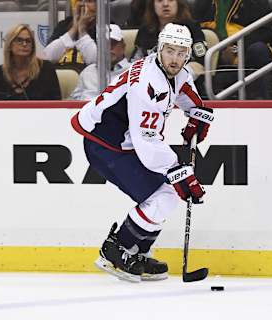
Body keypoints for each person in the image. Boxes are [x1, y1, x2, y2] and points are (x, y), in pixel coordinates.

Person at [70, 23, 214, 282]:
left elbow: (188, 97)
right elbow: (146, 142)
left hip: (124, 142)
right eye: (170, 51)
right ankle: (115, 250)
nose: (175, 59)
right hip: (105, 144)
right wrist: (179, 171)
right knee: (163, 195)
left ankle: (138, 252)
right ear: (160, 49)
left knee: (167, 194)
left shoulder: (175, 73)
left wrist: (198, 115)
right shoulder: (149, 84)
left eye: (182, 53)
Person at [193, 0, 272, 99]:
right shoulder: (203, 3)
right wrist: (221, 48)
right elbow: (195, 29)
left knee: (259, 50)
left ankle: (258, 101)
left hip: (245, 50)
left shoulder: (256, 2)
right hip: (213, 50)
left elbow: (264, 33)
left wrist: (236, 49)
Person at [130, 0, 208, 87]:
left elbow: (201, 62)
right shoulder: (145, 30)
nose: (165, 4)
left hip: (185, 87)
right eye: (159, 1)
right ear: (152, 5)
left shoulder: (192, 28)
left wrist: (175, 77)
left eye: (170, 0)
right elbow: (135, 61)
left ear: (178, 3)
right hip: (148, 86)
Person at [0, 24, 61, 100]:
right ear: (10, 45)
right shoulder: (0, 72)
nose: (24, 44)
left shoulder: (46, 68)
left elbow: (56, 104)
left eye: (28, 41)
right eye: (19, 40)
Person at [70, 24, 130, 100]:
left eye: (112, 44)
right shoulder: (88, 72)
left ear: (123, 46)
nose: (108, 49)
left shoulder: (133, 72)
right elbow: (73, 102)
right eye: (104, 45)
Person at [44, 0, 97, 71]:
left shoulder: (105, 27)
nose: (83, 4)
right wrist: (74, 28)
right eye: (80, 0)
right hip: (61, 75)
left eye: (89, 1)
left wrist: (82, 30)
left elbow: (95, 60)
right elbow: (48, 57)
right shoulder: (63, 25)